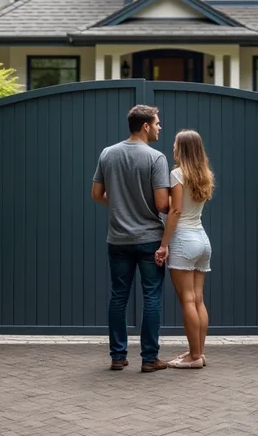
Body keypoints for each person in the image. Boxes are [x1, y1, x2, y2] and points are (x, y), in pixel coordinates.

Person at [91, 104, 170, 373]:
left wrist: (119, 206)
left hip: (118, 239)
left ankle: (117, 356)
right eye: (157, 123)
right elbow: (162, 204)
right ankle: (149, 358)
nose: (160, 127)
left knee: (118, 297)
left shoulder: (107, 154)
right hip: (149, 238)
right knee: (152, 297)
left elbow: (96, 194)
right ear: (145, 126)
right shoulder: (156, 158)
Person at [155, 130, 213, 369]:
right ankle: (198, 352)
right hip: (202, 240)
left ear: (183, 149)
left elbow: (176, 211)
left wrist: (164, 244)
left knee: (188, 301)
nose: (173, 148)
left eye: (175, 145)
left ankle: (194, 357)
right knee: (198, 299)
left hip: (183, 240)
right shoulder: (205, 175)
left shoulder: (177, 174)